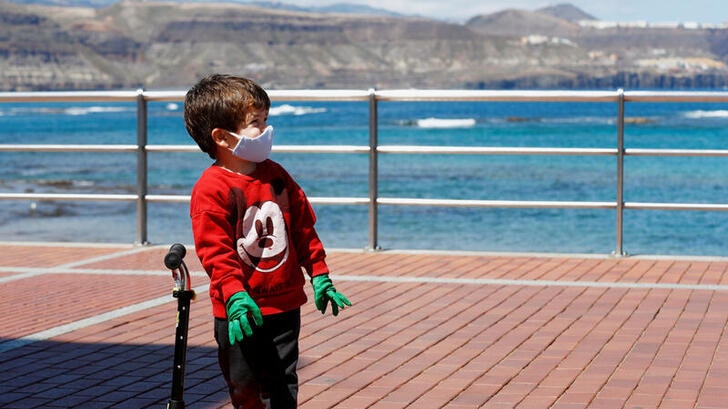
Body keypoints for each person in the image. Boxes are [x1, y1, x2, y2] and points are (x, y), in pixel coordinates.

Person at [183, 73, 351, 409]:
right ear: (222, 137)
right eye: (255, 122)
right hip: (239, 310)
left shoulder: (276, 174)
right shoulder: (211, 188)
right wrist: (234, 295)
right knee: (245, 388)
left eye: (265, 119)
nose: (266, 129)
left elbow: (303, 227)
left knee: (283, 383)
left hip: (285, 304)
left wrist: (319, 274)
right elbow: (215, 252)